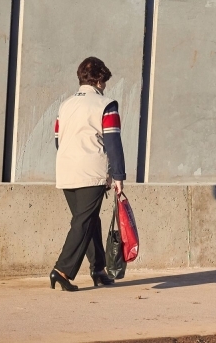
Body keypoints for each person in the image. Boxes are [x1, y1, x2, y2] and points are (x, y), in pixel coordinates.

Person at [49, 57, 125, 292]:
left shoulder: (66, 105)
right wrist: (119, 175)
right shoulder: (106, 104)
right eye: (104, 81)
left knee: (89, 219)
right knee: (82, 222)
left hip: (65, 169)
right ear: (99, 79)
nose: (105, 87)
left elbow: (57, 140)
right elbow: (113, 142)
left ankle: (98, 269)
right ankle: (62, 270)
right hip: (91, 170)